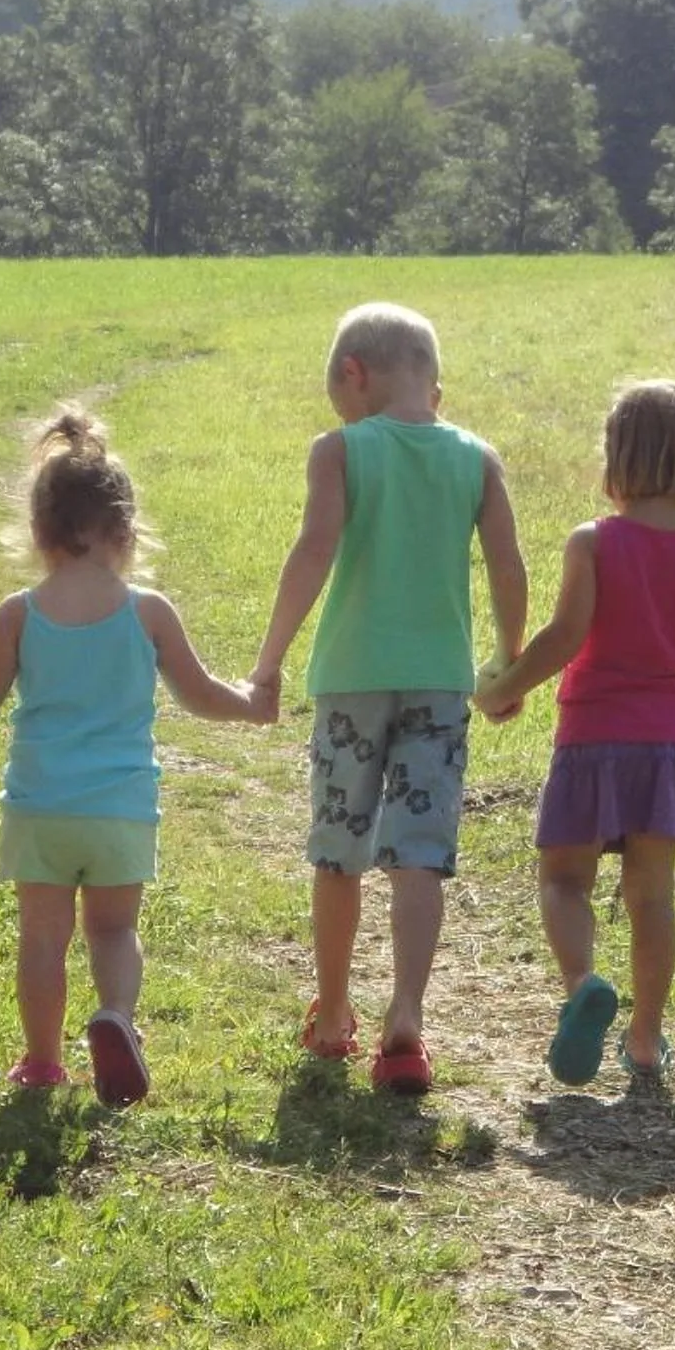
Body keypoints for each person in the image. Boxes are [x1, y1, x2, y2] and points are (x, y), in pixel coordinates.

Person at [0, 406, 267, 1105]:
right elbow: (200, 694)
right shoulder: (148, 611)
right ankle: (116, 1017)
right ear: (125, 530)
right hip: (120, 808)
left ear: (39, 531)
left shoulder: (19, 614)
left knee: (42, 939)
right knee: (114, 929)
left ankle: (44, 1061)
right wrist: (251, 702)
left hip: (40, 806)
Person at [246, 303, 528, 1094]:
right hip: (439, 681)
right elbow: (508, 565)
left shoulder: (340, 450)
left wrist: (269, 662)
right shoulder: (476, 458)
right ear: (434, 386)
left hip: (351, 679)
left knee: (339, 853)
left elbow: (314, 550)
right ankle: (406, 1017)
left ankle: (335, 1010)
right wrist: (507, 662)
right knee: (419, 856)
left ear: (353, 374)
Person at [474, 380, 675, 1096]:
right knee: (652, 897)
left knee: (565, 880)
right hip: (670, 746)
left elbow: (566, 636)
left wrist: (506, 687)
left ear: (617, 456)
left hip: (592, 739)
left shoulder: (594, 542)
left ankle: (584, 985)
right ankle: (646, 1038)